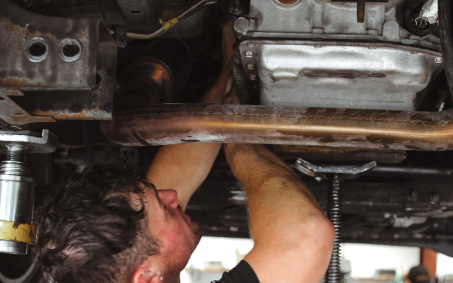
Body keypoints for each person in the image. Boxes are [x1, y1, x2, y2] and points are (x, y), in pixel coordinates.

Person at [36, 21, 335, 283]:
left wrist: (229, 71)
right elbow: (305, 238)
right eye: (164, 208)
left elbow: (171, 179)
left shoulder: (135, 269)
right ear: (148, 277)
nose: (170, 195)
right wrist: (239, 137)